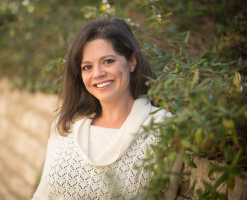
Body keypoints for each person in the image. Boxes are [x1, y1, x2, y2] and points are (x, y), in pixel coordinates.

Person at [31, 18, 183, 200]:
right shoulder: (66, 125)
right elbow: (42, 196)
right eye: (87, 67)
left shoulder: (163, 129)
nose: (97, 74)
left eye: (108, 61)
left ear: (132, 62)